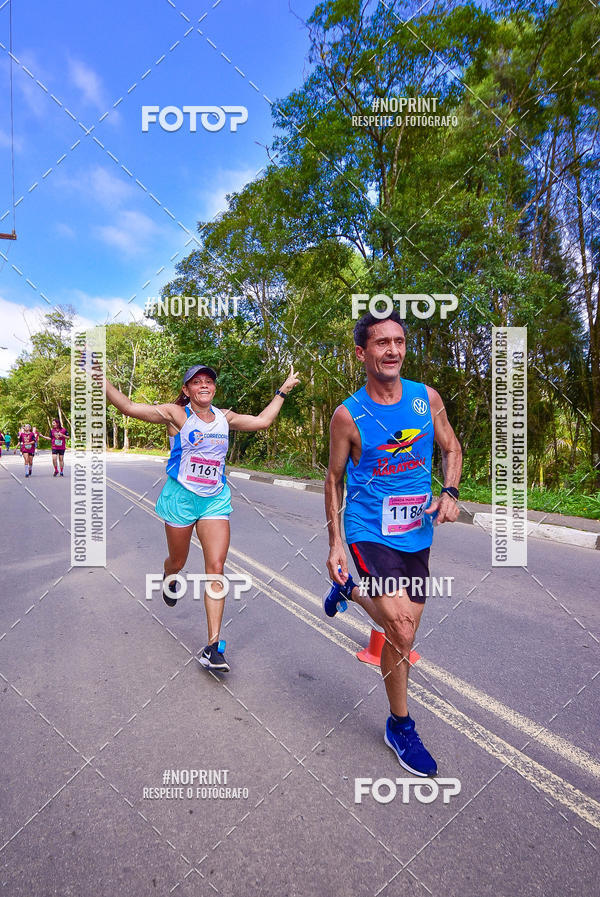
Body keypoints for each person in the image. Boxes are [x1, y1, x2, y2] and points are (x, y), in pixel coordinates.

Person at [324, 310, 462, 776]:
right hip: (368, 528)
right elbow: (334, 478)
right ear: (362, 353)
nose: (392, 350)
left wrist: (450, 491)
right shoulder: (348, 414)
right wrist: (336, 543)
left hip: (415, 532)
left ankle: (350, 590)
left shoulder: (427, 399)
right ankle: (401, 724)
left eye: (399, 341)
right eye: (381, 343)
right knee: (400, 626)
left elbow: (452, 447)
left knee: (406, 634)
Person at [104, 362, 300, 672]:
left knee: (216, 567)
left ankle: (212, 645)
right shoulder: (175, 415)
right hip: (181, 499)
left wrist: (282, 391)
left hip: (214, 501)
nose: (204, 385)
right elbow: (128, 407)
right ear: (187, 390)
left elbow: (263, 421)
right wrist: (103, 382)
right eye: (197, 382)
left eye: (209, 381)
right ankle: (170, 577)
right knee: (178, 561)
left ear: (214, 388)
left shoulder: (225, 417)